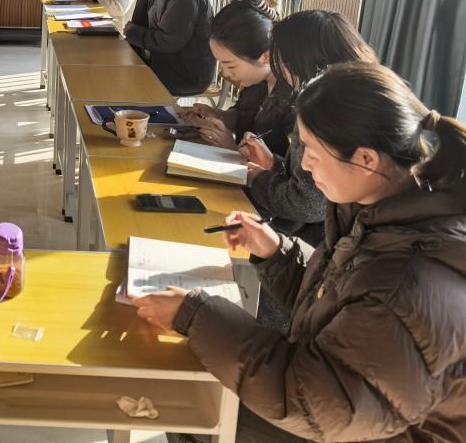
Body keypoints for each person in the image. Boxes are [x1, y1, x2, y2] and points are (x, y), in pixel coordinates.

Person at [135, 62, 466, 442]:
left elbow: (316, 401)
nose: (304, 165)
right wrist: (278, 252)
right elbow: (346, 306)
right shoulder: (382, 211)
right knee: (191, 386)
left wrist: (196, 313)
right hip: (354, 411)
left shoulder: (408, 279)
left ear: (366, 159)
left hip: (350, 421)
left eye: (312, 151)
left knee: (191, 401)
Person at [242, 10, 378, 246]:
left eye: (281, 62)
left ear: (300, 62)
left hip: (320, 245)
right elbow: (312, 186)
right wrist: (274, 164)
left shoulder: (325, 107)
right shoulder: (360, 95)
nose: (281, 72)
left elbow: (308, 203)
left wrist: (258, 179)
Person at [179, 0, 293, 157]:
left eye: (230, 65)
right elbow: (243, 116)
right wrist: (218, 116)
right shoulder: (257, 81)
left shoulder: (295, 102)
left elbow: (293, 171)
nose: (224, 73)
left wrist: (233, 151)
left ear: (266, 57)